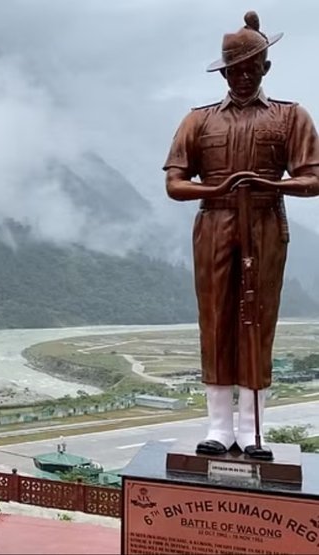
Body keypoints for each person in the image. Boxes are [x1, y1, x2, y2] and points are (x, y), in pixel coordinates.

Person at [163, 11, 318, 459]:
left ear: (266, 68)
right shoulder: (199, 121)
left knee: (258, 318)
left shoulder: (291, 117)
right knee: (214, 319)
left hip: (266, 221)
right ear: (224, 72)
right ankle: (217, 425)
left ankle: (252, 430)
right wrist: (215, 188)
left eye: (252, 68)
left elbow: (312, 178)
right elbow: (175, 183)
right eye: (235, 70)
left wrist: (273, 184)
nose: (244, 77)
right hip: (214, 221)